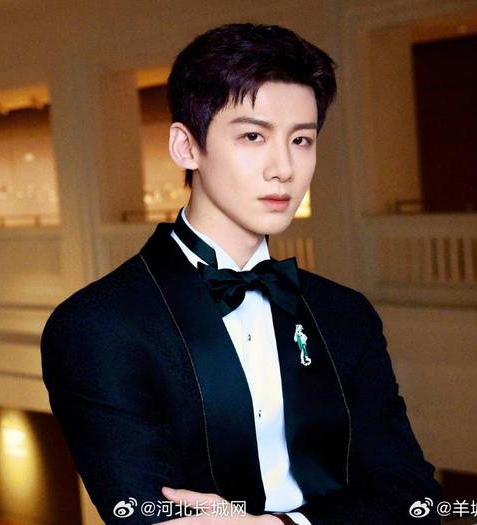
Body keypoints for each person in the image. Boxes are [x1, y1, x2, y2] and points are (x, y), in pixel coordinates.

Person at [41, 23, 442, 525]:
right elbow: (146, 513)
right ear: (186, 146)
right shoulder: (98, 325)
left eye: (302, 139)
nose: (284, 168)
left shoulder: (345, 313)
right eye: (253, 136)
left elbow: (415, 497)